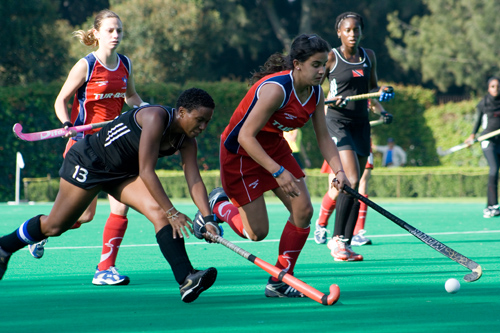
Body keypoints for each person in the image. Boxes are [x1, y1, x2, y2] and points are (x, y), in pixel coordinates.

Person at [0, 88, 219, 303]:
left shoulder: (187, 141)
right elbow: (146, 171)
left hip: (120, 174)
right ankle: (5, 246)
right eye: (199, 119)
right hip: (89, 162)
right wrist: (173, 211)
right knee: (55, 226)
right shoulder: (155, 117)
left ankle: (187, 279)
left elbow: (195, 179)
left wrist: (208, 219)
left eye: (207, 122)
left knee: (159, 214)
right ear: (181, 112)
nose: (203, 126)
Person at [191, 33, 350, 299]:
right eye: (316, 64)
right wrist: (278, 171)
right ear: (297, 64)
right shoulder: (276, 89)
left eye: (325, 64)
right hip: (241, 154)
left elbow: (323, 136)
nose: (322, 71)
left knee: (303, 210)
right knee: (256, 233)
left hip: (273, 146)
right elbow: (245, 136)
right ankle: (218, 205)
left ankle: (280, 279)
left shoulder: (315, 93)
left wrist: (340, 171)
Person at [28, 9, 147, 286]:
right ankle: (41, 231)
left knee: (120, 208)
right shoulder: (87, 65)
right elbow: (61, 100)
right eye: (110, 30)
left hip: (115, 145)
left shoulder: (125, 64)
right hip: (84, 148)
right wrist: (67, 123)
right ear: (96, 34)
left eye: (119, 30)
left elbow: (131, 97)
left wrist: (149, 111)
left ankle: (105, 269)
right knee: (85, 215)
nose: (115, 35)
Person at [314, 12, 395, 262]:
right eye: (347, 30)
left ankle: (345, 244)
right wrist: (330, 99)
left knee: (356, 184)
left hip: (361, 124)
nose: (352, 34)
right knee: (348, 179)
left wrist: (382, 101)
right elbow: (312, 89)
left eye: (356, 30)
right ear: (339, 32)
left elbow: (371, 88)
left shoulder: (368, 56)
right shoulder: (331, 57)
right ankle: (336, 240)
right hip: (337, 123)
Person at [315, 99, 393, 247]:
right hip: (342, 139)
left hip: (361, 140)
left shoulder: (362, 89)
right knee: (336, 190)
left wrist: (384, 113)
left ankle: (358, 232)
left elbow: (374, 103)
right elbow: (325, 109)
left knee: (361, 186)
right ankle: (321, 225)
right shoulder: (339, 86)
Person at [465, 76, 500, 218]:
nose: (496, 89)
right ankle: (491, 206)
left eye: (498, 86)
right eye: (493, 86)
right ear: (488, 88)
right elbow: (477, 121)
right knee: (494, 169)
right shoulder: (483, 103)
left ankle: (492, 206)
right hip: (487, 141)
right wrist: (472, 135)